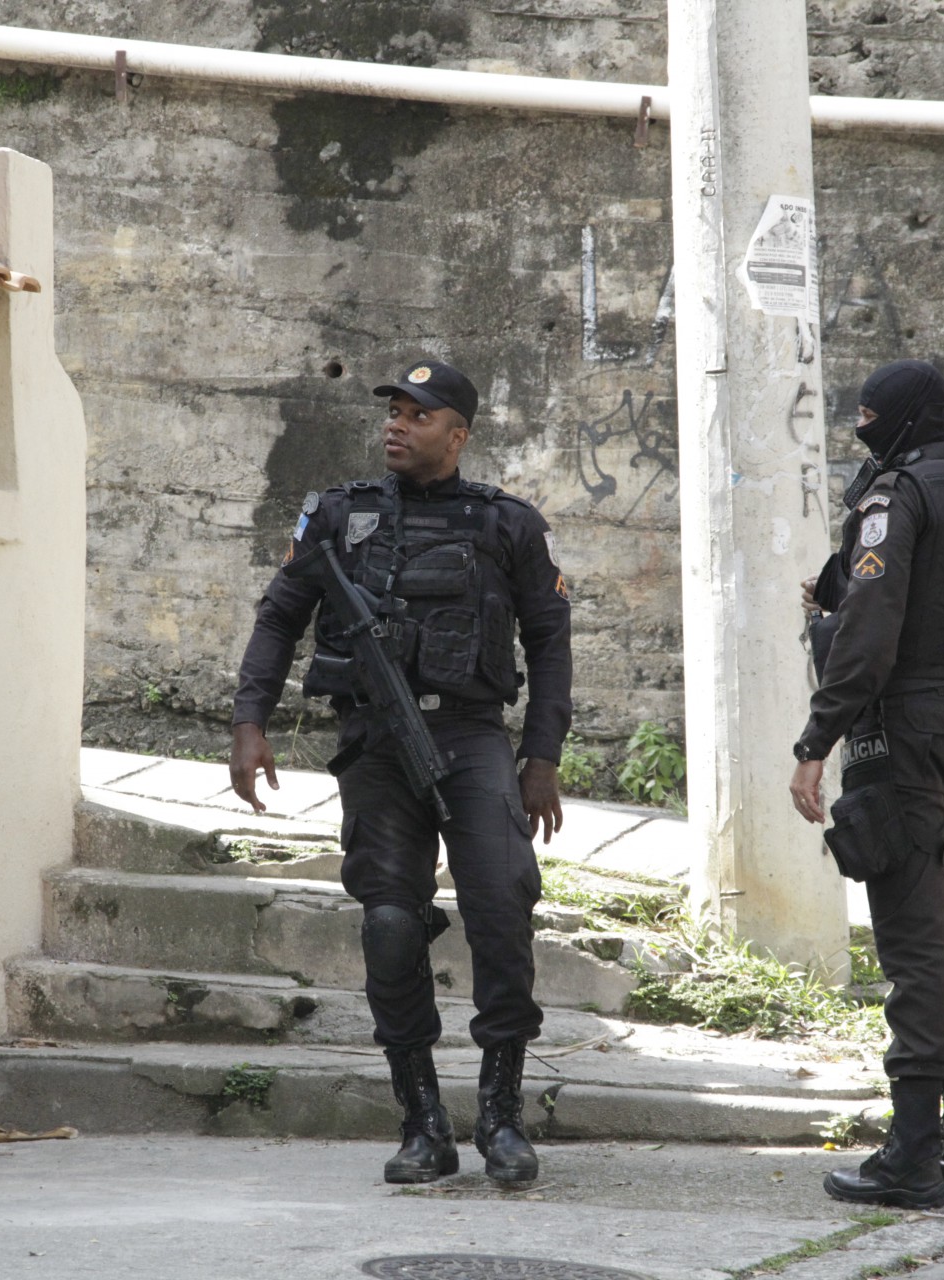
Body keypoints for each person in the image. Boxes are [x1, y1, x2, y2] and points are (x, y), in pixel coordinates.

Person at [229, 360, 572, 1186]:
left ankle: (500, 1117)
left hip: (471, 737)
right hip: (377, 744)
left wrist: (543, 757)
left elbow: (550, 641)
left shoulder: (507, 525)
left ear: (457, 434)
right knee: (389, 925)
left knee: (500, 907)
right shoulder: (338, 516)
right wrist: (249, 721)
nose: (396, 424)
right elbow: (280, 616)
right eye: (392, 411)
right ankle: (422, 1121)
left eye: (417, 414)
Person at [789, 360, 944, 1209]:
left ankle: (912, 1157)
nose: (858, 428)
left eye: (867, 416)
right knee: (939, 931)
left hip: (907, 733)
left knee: (912, 945)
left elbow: (872, 627)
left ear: (899, 419)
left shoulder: (898, 497)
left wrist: (817, 738)